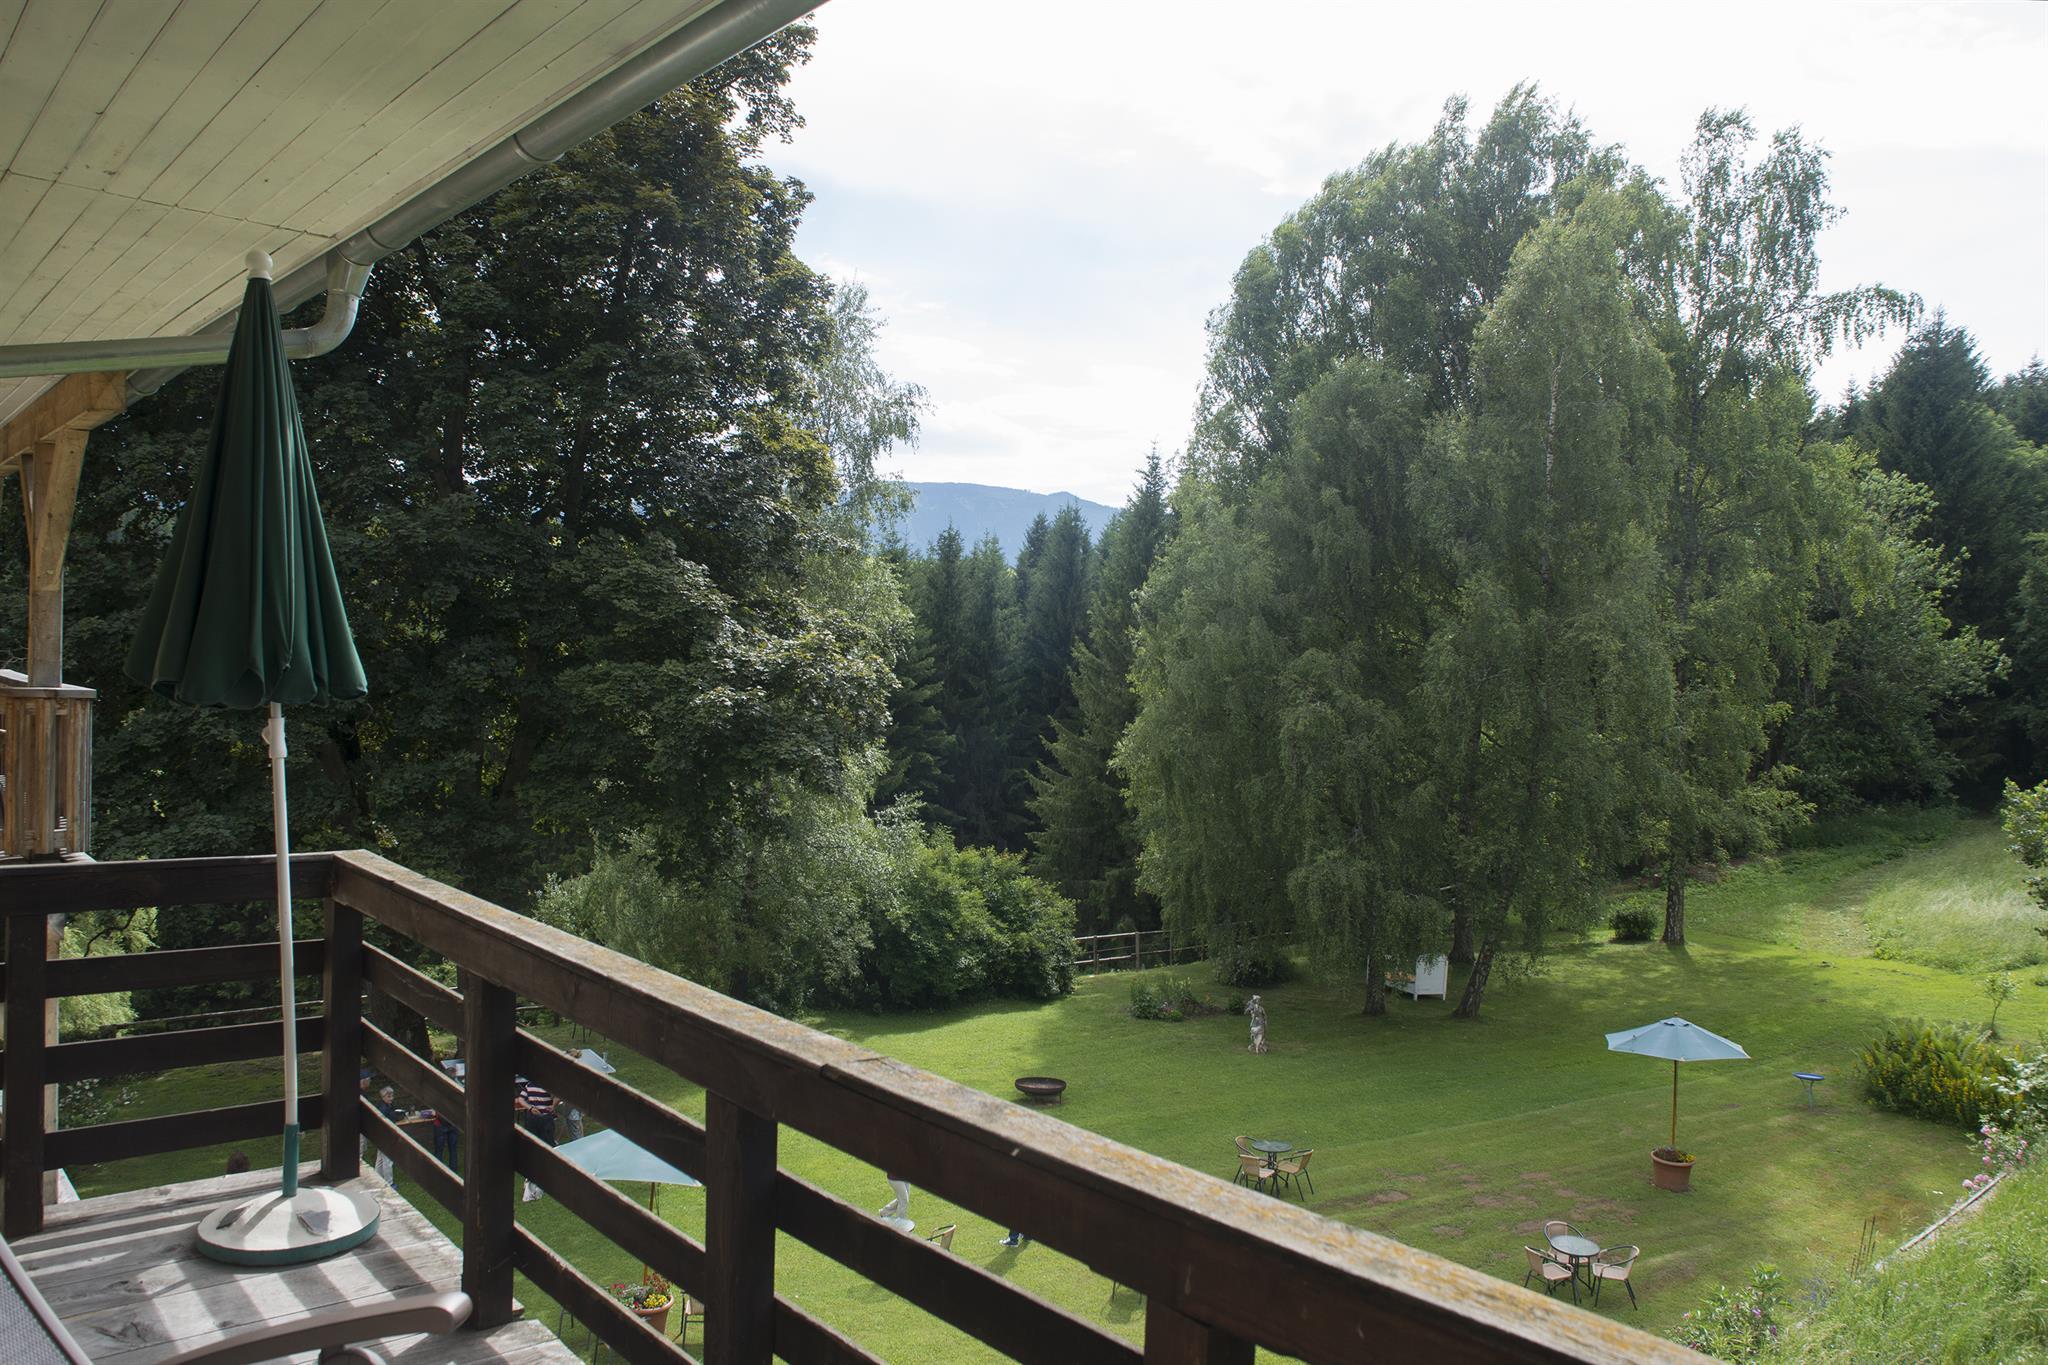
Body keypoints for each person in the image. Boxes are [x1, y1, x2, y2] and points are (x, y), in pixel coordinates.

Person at [515, 1075, 556, 1202]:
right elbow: (559, 1095)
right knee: (548, 1146)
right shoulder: (545, 1084)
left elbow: (521, 1099)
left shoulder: (529, 1085)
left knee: (535, 1145)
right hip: (544, 1118)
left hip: (534, 1119)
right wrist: (553, 1105)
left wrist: (530, 1108)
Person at [373, 1086, 399, 1184]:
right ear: (383, 1097)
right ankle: (389, 1182)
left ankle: (377, 1179)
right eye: (389, 1096)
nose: (391, 1098)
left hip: (381, 1136)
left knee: (380, 1159)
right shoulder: (383, 1108)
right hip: (384, 1135)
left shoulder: (388, 1106)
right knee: (388, 1160)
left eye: (392, 1096)